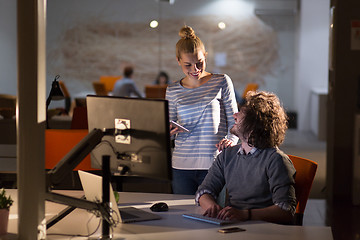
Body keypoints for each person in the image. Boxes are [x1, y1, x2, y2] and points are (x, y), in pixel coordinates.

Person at [195, 91, 297, 225]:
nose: (234, 115)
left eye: (241, 113)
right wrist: (212, 207)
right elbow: (203, 192)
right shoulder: (227, 155)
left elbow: (286, 210)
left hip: (263, 229)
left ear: (254, 124)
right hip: (232, 224)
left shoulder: (276, 160)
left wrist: (245, 214)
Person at [166, 26, 238, 195]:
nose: (195, 69)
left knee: (214, 216)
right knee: (181, 216)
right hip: (181, 165)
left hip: (214, 164)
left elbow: (235, 121)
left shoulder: (221, 81)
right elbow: (167, 127)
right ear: (178, 61)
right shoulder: (173, 90)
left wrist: (232, 140)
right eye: (187, 65)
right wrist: (166, 131)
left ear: (205, 56)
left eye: (199, 62)